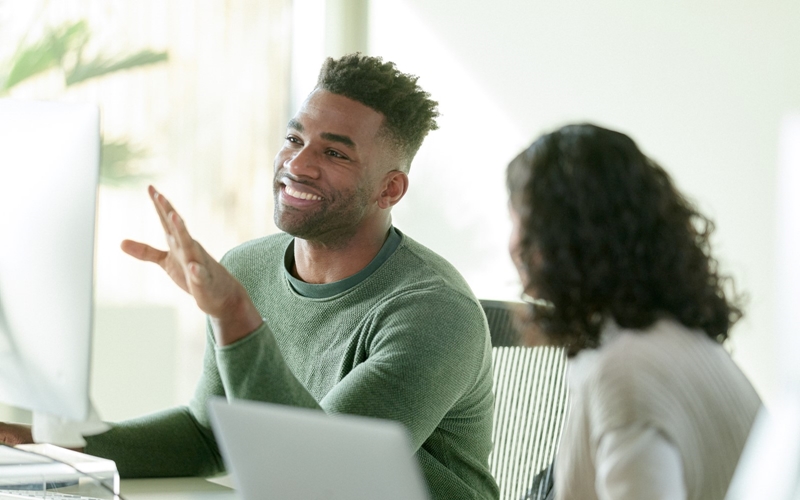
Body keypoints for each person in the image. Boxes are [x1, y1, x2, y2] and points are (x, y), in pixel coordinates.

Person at [0, 53, 500, 500]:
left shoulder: (433, 313)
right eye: (294, 138)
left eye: (335, 153)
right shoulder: (249, 267)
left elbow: (319, 482)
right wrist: (50, 445)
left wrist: (235, 315)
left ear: (390, 190)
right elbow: (207, 434)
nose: (297, 164)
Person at [506, 124, 762, 500]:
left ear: (559, 236)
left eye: (517, 221)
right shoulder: (685, 342)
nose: (513, 243)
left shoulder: (624, 370)